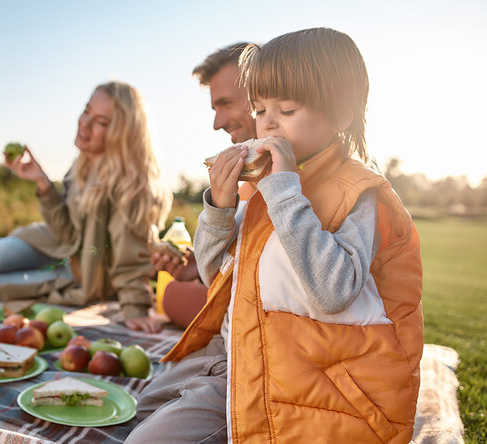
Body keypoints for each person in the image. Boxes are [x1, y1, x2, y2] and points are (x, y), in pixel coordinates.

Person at [127, 28, 423, 443]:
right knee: (141, 407)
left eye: (285, 110)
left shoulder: (357, 194)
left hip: (297, 371)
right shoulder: (262, 183)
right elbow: (216, 277)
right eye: (260, 107)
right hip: (238, 347)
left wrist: (285, 191)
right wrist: (220, 207)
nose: (265, 123)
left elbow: (332, 292)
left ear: (339, 116)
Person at [0, 82, 172, 333]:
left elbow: (132, 255)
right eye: (86, 111)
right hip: (54, 244)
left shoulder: (133, 186)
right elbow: (66, 231)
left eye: (101, 122)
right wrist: (43, 182)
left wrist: (135, 307)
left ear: (122, 132)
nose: (85, 123)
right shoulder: (83, 164)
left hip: (79, 271)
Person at [151, 42, 257, 328]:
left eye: (226, 103)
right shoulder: (247, 178)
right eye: (215, 107)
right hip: (244, 313)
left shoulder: (291, 177)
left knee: (174, 298)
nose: (217, 123)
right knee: (173, 292)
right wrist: (196, 270)